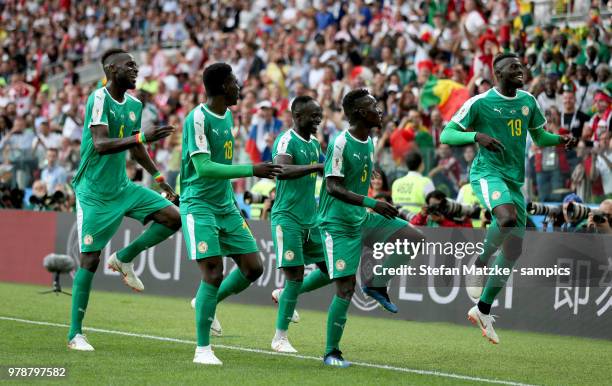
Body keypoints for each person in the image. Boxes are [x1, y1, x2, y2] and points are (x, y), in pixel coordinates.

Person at [440, 52, 577, 344]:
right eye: (513, 67)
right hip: (487, 173)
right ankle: (479, 263)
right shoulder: (479, 102)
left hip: (514, 181)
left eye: (521, 66)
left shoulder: (528, 101)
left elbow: (540, 138)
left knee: (514, 249)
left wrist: (561, 140)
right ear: (497, 72)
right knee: (506, 218)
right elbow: (447, 134)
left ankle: (483, 309)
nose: (520, 70)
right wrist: (476, 136)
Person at [68, 48, 182, 351]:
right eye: (129, 65)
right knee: (90, 259)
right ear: (110, 69)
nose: (136, 70)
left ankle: (124, 257)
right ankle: (75, 334)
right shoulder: (99, 98)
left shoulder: (134, 104)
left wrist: (160, 179)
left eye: (136, 65)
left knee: (173, 217)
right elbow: (102, 144)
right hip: (93, 192)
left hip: (122, 186)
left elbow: (135, 148)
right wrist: (142, 137)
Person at [180, 63, 282, 365]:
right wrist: (252, 169)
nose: (240, 87)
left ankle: (203, 302)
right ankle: (202, 349)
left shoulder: (227, 116)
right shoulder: (197, 118)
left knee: (254, 268)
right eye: (235, 81)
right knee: (212, 272)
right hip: (198, 204)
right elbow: (204, 168)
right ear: (223, 86)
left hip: (224, 205)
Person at [317, 89, 423, 367]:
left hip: (360, 216)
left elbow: (358, 175)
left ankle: (377, 282)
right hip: (337, 224)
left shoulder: (369, 141)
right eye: (373, 106)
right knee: (344, 287)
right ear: (360, 113)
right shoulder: (340, 142)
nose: (379, 110)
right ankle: (331, 352)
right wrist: (372, 202)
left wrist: (367, 187)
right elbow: (332, 187)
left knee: (413, 237)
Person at [269, 96, 332, 353]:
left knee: (331, 269)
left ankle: (285, 296)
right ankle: (279, 338)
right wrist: (314, 165)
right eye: (313, 115)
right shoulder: (286, 140)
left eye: (320, 115)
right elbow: (280, 170)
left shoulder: (315, 142)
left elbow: (328, 165)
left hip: (311, 219)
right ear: (297, 115)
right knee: (294, 276)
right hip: (288, 217)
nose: (318, 119)